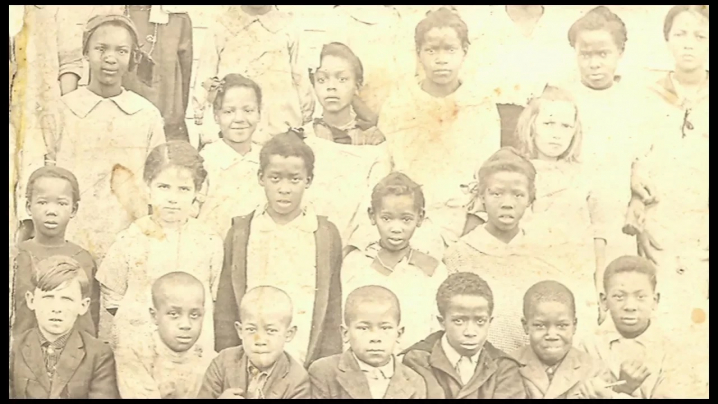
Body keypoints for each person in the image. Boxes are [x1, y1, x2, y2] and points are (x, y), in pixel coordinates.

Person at [214, 131, 343, 367]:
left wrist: (324, 366)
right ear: (261, 177)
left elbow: (332, 308)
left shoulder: (325, 234)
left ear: (309, 180)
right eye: (275, 178)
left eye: (294, 179)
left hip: (304, 354)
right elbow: (226, 305)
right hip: (252, 354)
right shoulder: (242, 231)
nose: (284, 188)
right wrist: (230, 364)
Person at [378, 7, 501, 250]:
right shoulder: (399, 103)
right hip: (405, 218)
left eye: (450, 50)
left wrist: (473, 224)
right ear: (419, 53)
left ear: (464, 52)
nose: (441, 59)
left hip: (463, 220)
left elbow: (489, 175)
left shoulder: (480, 105)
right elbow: (384, 168)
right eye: (432, 50)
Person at [51, 14, 166, 264]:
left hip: (126, 242)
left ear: (133, 57)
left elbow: (158, 181)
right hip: (71, 237)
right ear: (86, 52)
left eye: (121, 51)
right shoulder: (63, 111)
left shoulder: (145, 115)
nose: (110, 59)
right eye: (100, 49)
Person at [624, 5, 709, 337]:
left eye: (700, 36)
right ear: (667, 40)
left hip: (702, 217)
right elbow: (632, 154)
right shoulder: (646, 95)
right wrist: (634, 187)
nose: (689, 44)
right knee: (666, 309)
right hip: (660, 218)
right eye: (680, 34)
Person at [96, 141, 223, 354]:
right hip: (138, 347)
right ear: (147, 187)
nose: (172, 199)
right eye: (164, 187)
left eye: (183, 189)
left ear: (197, 192)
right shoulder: (131, 237)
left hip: (192, 349)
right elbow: (112, 297)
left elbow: (216, 298)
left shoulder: (209, 241)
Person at [444, 147, 568, 353]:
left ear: (530, 199)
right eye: (497, 194)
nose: (507, 203)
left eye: (518, 195)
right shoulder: (460, 254)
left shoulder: (545, 253)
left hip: (533, 364)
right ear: (482, 196)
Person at [559, 6, 649, 262]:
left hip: (616, 212)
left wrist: (638, 201)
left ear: (620, 53)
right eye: (585, 54)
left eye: (603, 54)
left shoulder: (634, 101)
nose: (594, 63)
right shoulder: (562, 97)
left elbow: (641, 160)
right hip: (570, 210)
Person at [513, 85, 606, 324]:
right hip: (528, 273)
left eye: (566, 126)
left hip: (576, 277)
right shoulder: (517, 171)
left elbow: (598, 235)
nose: (557, 134)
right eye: (548, 124)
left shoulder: (585, 176)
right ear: (532, 126)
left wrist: (599, 289)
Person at [342, 173, 447, 352]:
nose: (396, 228)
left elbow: (436, 330)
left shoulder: (433, 270)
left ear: (420, 217)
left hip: (416, 365)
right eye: (387, 218)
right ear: (372, 216)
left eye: (406, 219)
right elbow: (344, 320)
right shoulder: (356, 264)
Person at [301, 42, 391, 247]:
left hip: (357, 244)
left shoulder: (373, 142)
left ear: (357, 85)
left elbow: (374, 203)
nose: (331, 87)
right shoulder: (303, 139)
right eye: (322, 80)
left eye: (342, 79)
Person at [11, 5, 86, 245]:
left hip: (37, 117)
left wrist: (62, 114)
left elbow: (70, 63)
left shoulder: (49, 11)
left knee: (33, 205)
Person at [192, 5, 315, 146]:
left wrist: (306, 114)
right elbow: (206, 72)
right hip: (234, 126)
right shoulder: (222, 24)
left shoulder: (288, 26)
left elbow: (300, 76)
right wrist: (201, 113)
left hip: (278, 124)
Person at [401, 272, 526, 399]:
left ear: (490, 321)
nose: (470, 332)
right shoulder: (418, 360)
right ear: (442, 321)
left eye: (480, 321)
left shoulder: (504, 368)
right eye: (459, 321)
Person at [10, 255, 119, 399]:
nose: (57, 308)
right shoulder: (14, 349)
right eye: (48, 298)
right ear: (31, 300)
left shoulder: (98, 355)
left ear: (83, 305)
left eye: (66, 299)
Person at [12, 167, 99, 339]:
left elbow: (89, 319)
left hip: (71, 358)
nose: (51, 211)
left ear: (73, 209)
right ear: (29, 207)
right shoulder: (16, 256)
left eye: (61, 203)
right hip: (20, 357)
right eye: (43, 202)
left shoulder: (84, 259)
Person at [580, 256, 682, 398]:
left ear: (655, 300)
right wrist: (622, 389)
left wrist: (613, 394)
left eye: (640, 297)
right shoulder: (588, 346)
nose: (630, 306)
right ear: (604, 301)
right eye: (619, 296)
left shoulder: (672, 351)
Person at [308, 286, 427, 399]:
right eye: (363, 328)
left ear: (399, 334)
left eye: (385, 328)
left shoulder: (413, 381)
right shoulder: (325, 371)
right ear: (345, 333)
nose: (375, 338)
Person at [114, 272, 215, 398]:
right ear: (154, 316)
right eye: (174, 314)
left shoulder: (213, 361)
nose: (186, 324)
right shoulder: (134, 355)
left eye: (194, 315)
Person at [198, 286, 310, 399]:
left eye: (271, 331)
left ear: (289, 334)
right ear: (240, 331)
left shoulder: (297, 379)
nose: (260, 340)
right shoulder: (222, 363)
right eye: (251, 330)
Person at [510, 280, 613, 399]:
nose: (552, 335)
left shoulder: (594, 370)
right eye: (540, 325)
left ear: (574, 325)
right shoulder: (507, 367)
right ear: (525, 325)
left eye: (562, 325)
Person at [319, 5, 416, 125]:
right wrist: (370, 117)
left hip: (396, 115)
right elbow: (337, 76)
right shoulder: (341, 18)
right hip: (358, 117)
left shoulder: (399, 18)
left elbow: (408, 74)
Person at [197, 73, 266, 238]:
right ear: (216, 116)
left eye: (248, 110)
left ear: (259, 114)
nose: (239, 119)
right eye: (229, 111)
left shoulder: (266, 159)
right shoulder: (205, 160)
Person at [120, 5, 194, 142]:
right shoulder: (113, 14)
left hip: (166, 118)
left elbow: (185, 76)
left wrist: (176, 116)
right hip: (121, 119)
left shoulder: (178, 17)